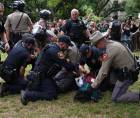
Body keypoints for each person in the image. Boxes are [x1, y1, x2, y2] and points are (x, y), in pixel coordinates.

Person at [20, 35, 76, 105]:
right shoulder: (56, 51)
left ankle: (33, 88)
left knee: (56, 88)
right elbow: (67, 65)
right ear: (63, 44)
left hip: (40, 75)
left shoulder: (51, 46)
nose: (67, 48)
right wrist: (75, 67)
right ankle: (27, 95)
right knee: (51, 95)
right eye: (67, 45)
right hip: (42, 77)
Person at [90, 31, 140, 102]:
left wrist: (93, 85)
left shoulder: (110, 50)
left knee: (116, 98)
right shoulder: (112, 43)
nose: (96, 47)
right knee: (112, 79)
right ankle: (119, 87)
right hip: (130, 70)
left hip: (128, 75)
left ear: (100, 42)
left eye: (96, 45)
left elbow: (103, 71)